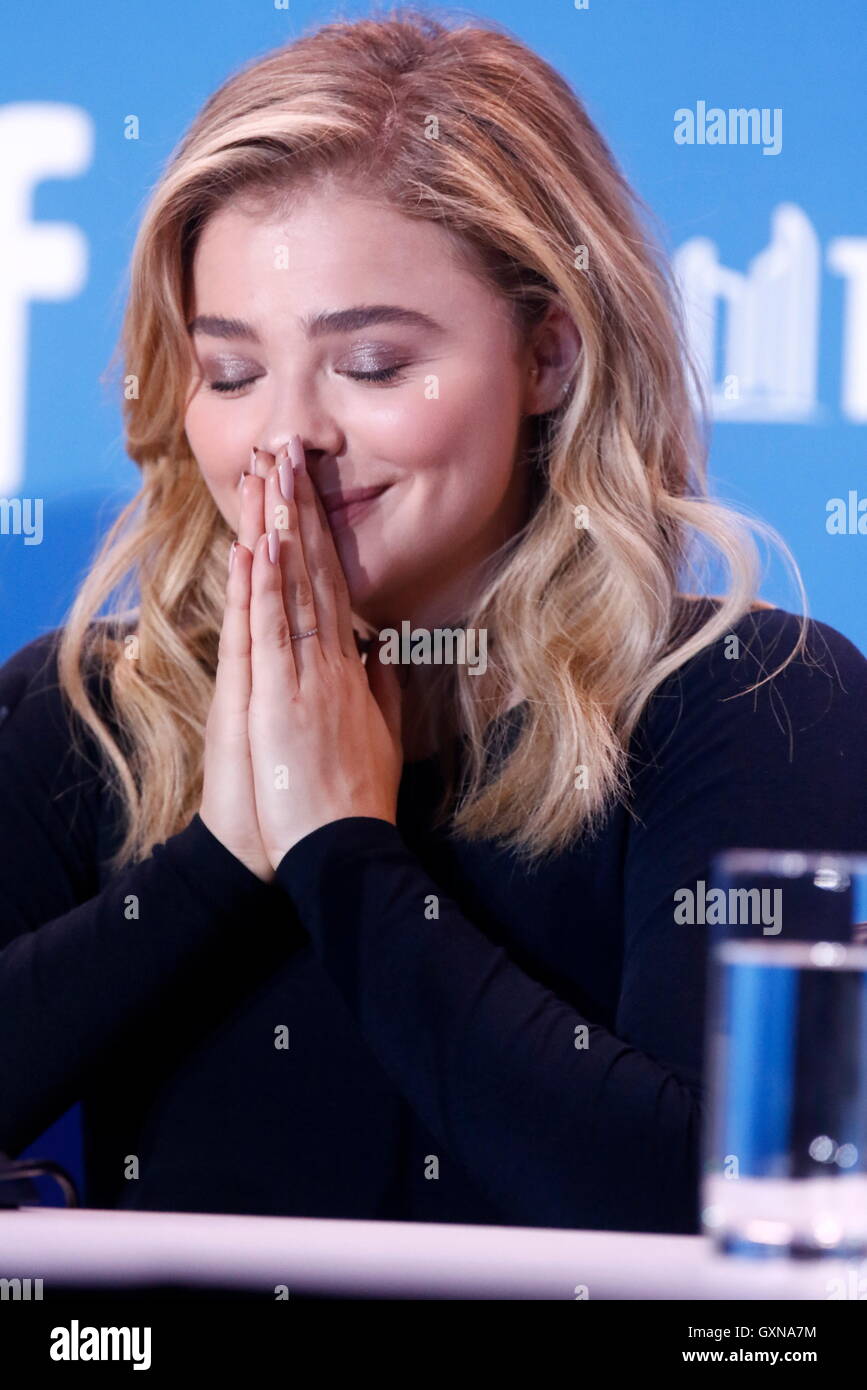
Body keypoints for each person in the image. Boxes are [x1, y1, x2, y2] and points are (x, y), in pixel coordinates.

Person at [1, 9, 865, 1237]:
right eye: (232, 374)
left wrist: (340, 851)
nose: (284, 439)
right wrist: (222, 855)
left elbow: (718, 1203)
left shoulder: (751, 702)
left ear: (550, 356)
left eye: (370, 364)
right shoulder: (86, 713)